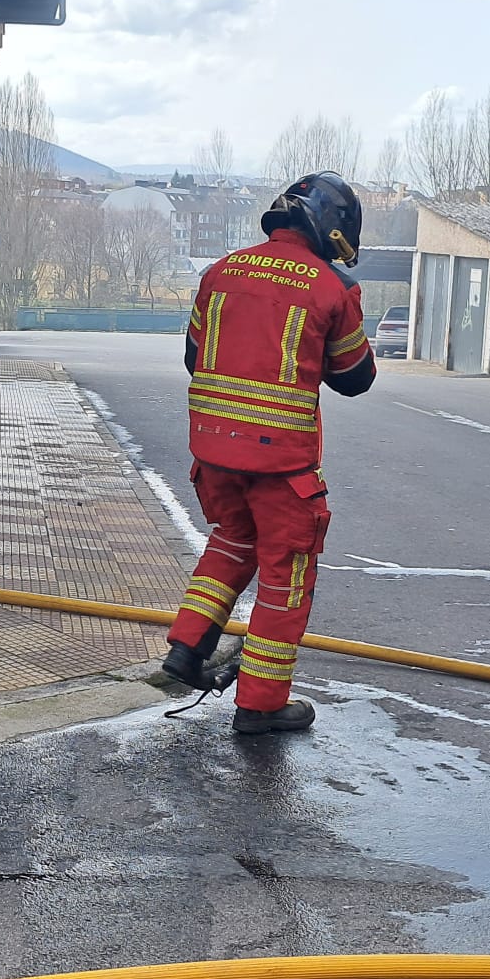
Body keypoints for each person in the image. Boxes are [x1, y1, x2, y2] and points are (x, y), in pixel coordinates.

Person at [161, 171, 376, 733]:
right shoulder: (331, 288)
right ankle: (259, 705)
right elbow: (356, 377)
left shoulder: (220, 272)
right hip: (281, 467)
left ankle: (186, 647)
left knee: (232, 542)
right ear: (332, 229)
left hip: (214, 455)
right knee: (287, 574)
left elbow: (193, 357)